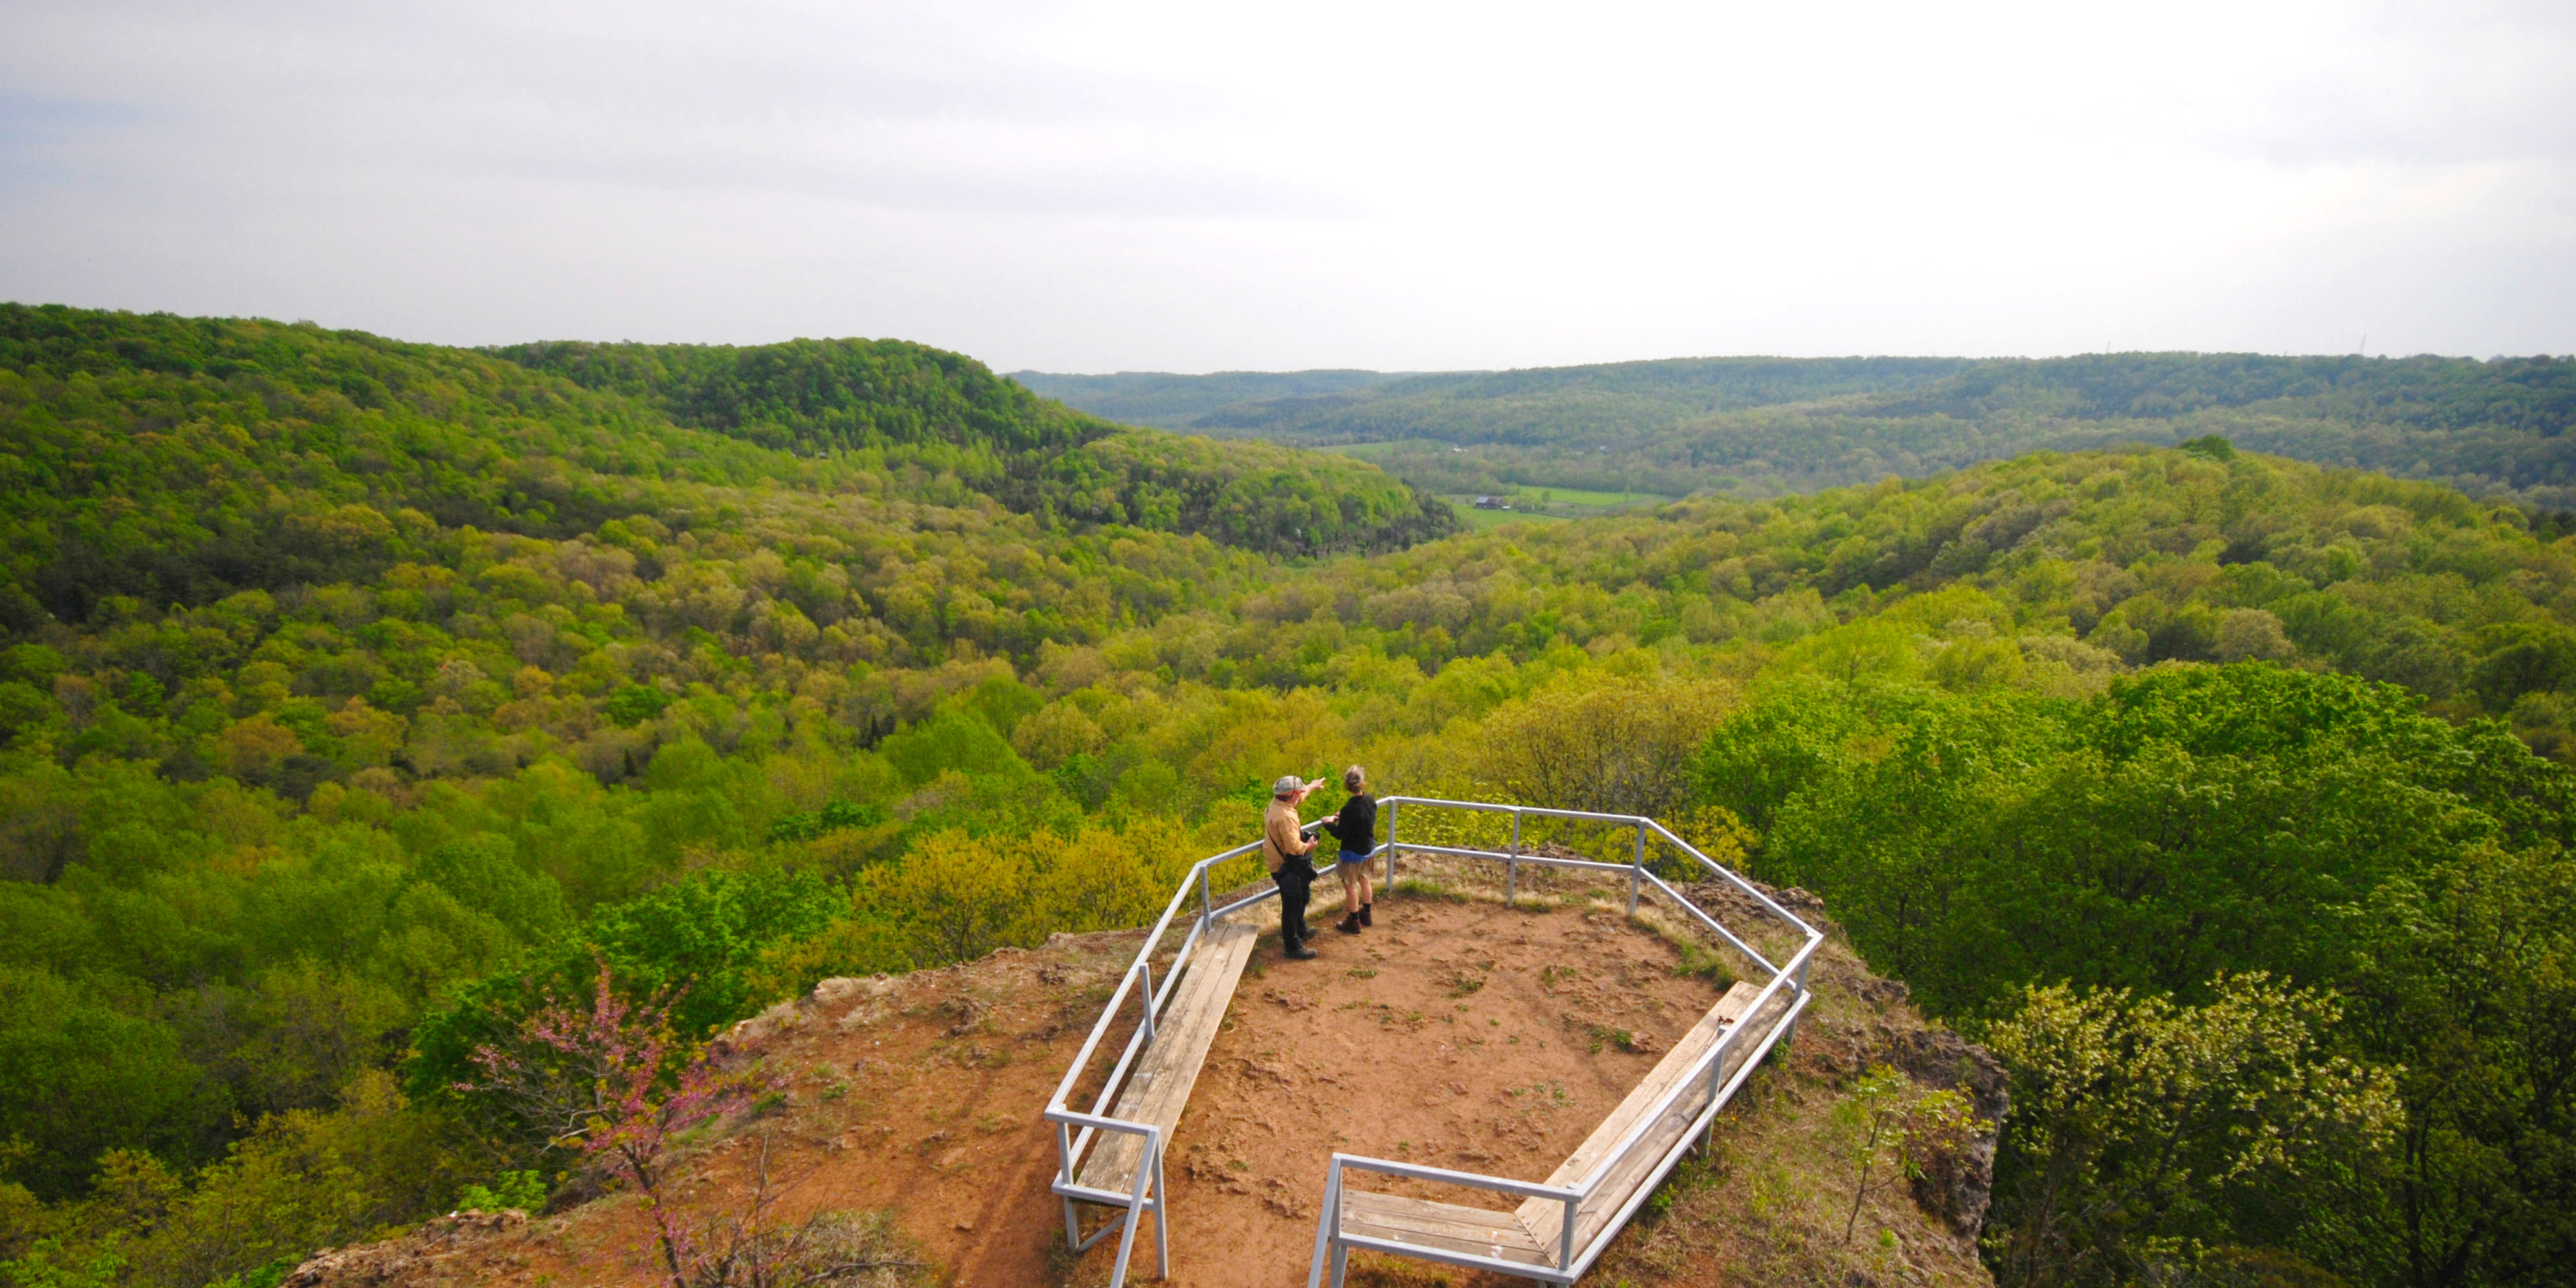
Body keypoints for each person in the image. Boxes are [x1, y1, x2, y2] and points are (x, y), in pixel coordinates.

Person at [1264, 773, 1324, 960]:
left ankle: (1300, 929)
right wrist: (1310, 845)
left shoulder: (1277, 805)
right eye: (1298, 792)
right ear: (1291, 795)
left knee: (1302, 897)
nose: (1300, 795)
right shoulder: (1285, 817)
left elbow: (1299, 796)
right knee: (1292, 905)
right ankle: (1293, 946)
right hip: (1286, 867)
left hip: (1283, 864)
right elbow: (1295, 849)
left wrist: (1312, 786)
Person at [1321, 766, 1377, 935]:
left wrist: (1328, 823)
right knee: (1365, 879)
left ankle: (1354, 922)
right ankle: (1366, 914)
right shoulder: (1370, 800)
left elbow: (1341, 834)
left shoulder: (1349, 810)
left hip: (1352, 853)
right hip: (1368, 848)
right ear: (1363, 783)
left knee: (1350, 886)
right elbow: (1362, 818)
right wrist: (1343, 816)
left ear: (1346, 785)